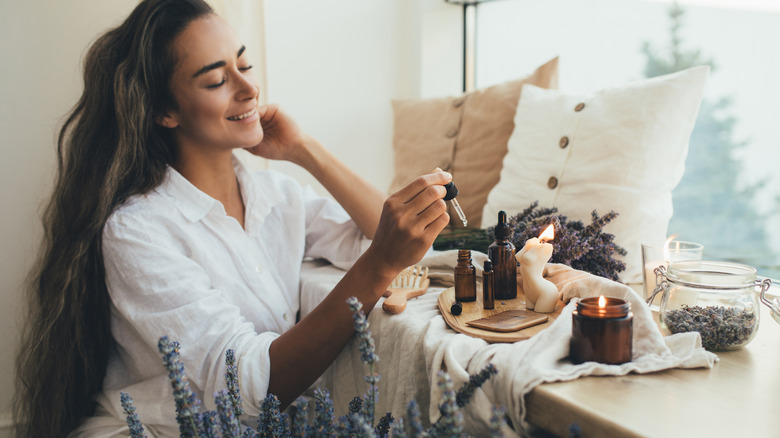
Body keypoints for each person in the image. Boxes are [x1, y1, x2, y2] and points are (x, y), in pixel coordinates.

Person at [13, 1, 451, 436]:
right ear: (165, 111)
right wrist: (378, 265)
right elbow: (251, 387)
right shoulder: (137, 231)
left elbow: (400, 240)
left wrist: (305, 151)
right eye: (218, 80)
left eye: (246, 64)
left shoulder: (274, 196)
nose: (248, 88)